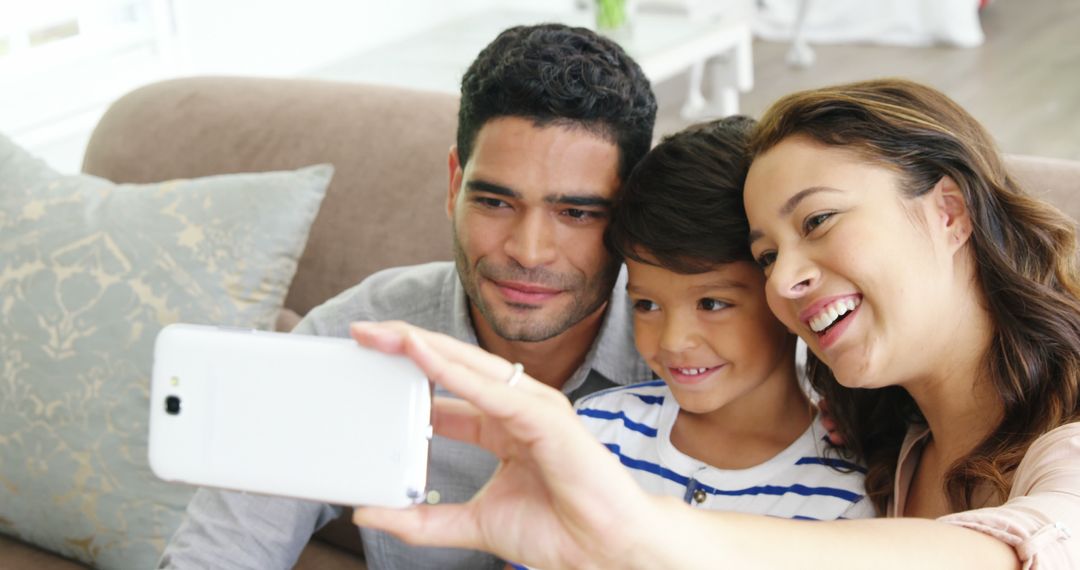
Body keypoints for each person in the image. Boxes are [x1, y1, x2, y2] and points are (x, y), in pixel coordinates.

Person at [348, 78, 1080, 569]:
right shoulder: (892, 447)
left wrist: (636, 532)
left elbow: (1023, 548)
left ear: (947, 211)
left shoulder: (1065, 434)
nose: (785, 280)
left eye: (819, 220)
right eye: (766, 254)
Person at [158, 23, 657, 570]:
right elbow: (217, 552)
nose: (530, 251)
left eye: (577, 213)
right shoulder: (357, 337)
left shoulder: (691, 357)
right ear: (453, 186)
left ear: (628, 214)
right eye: (495, 202)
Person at [576, 115, 872, 520]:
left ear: (783, 293)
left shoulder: (849, 490)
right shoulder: (593, 433)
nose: (673, 342)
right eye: (647, 305)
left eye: (712, 304)